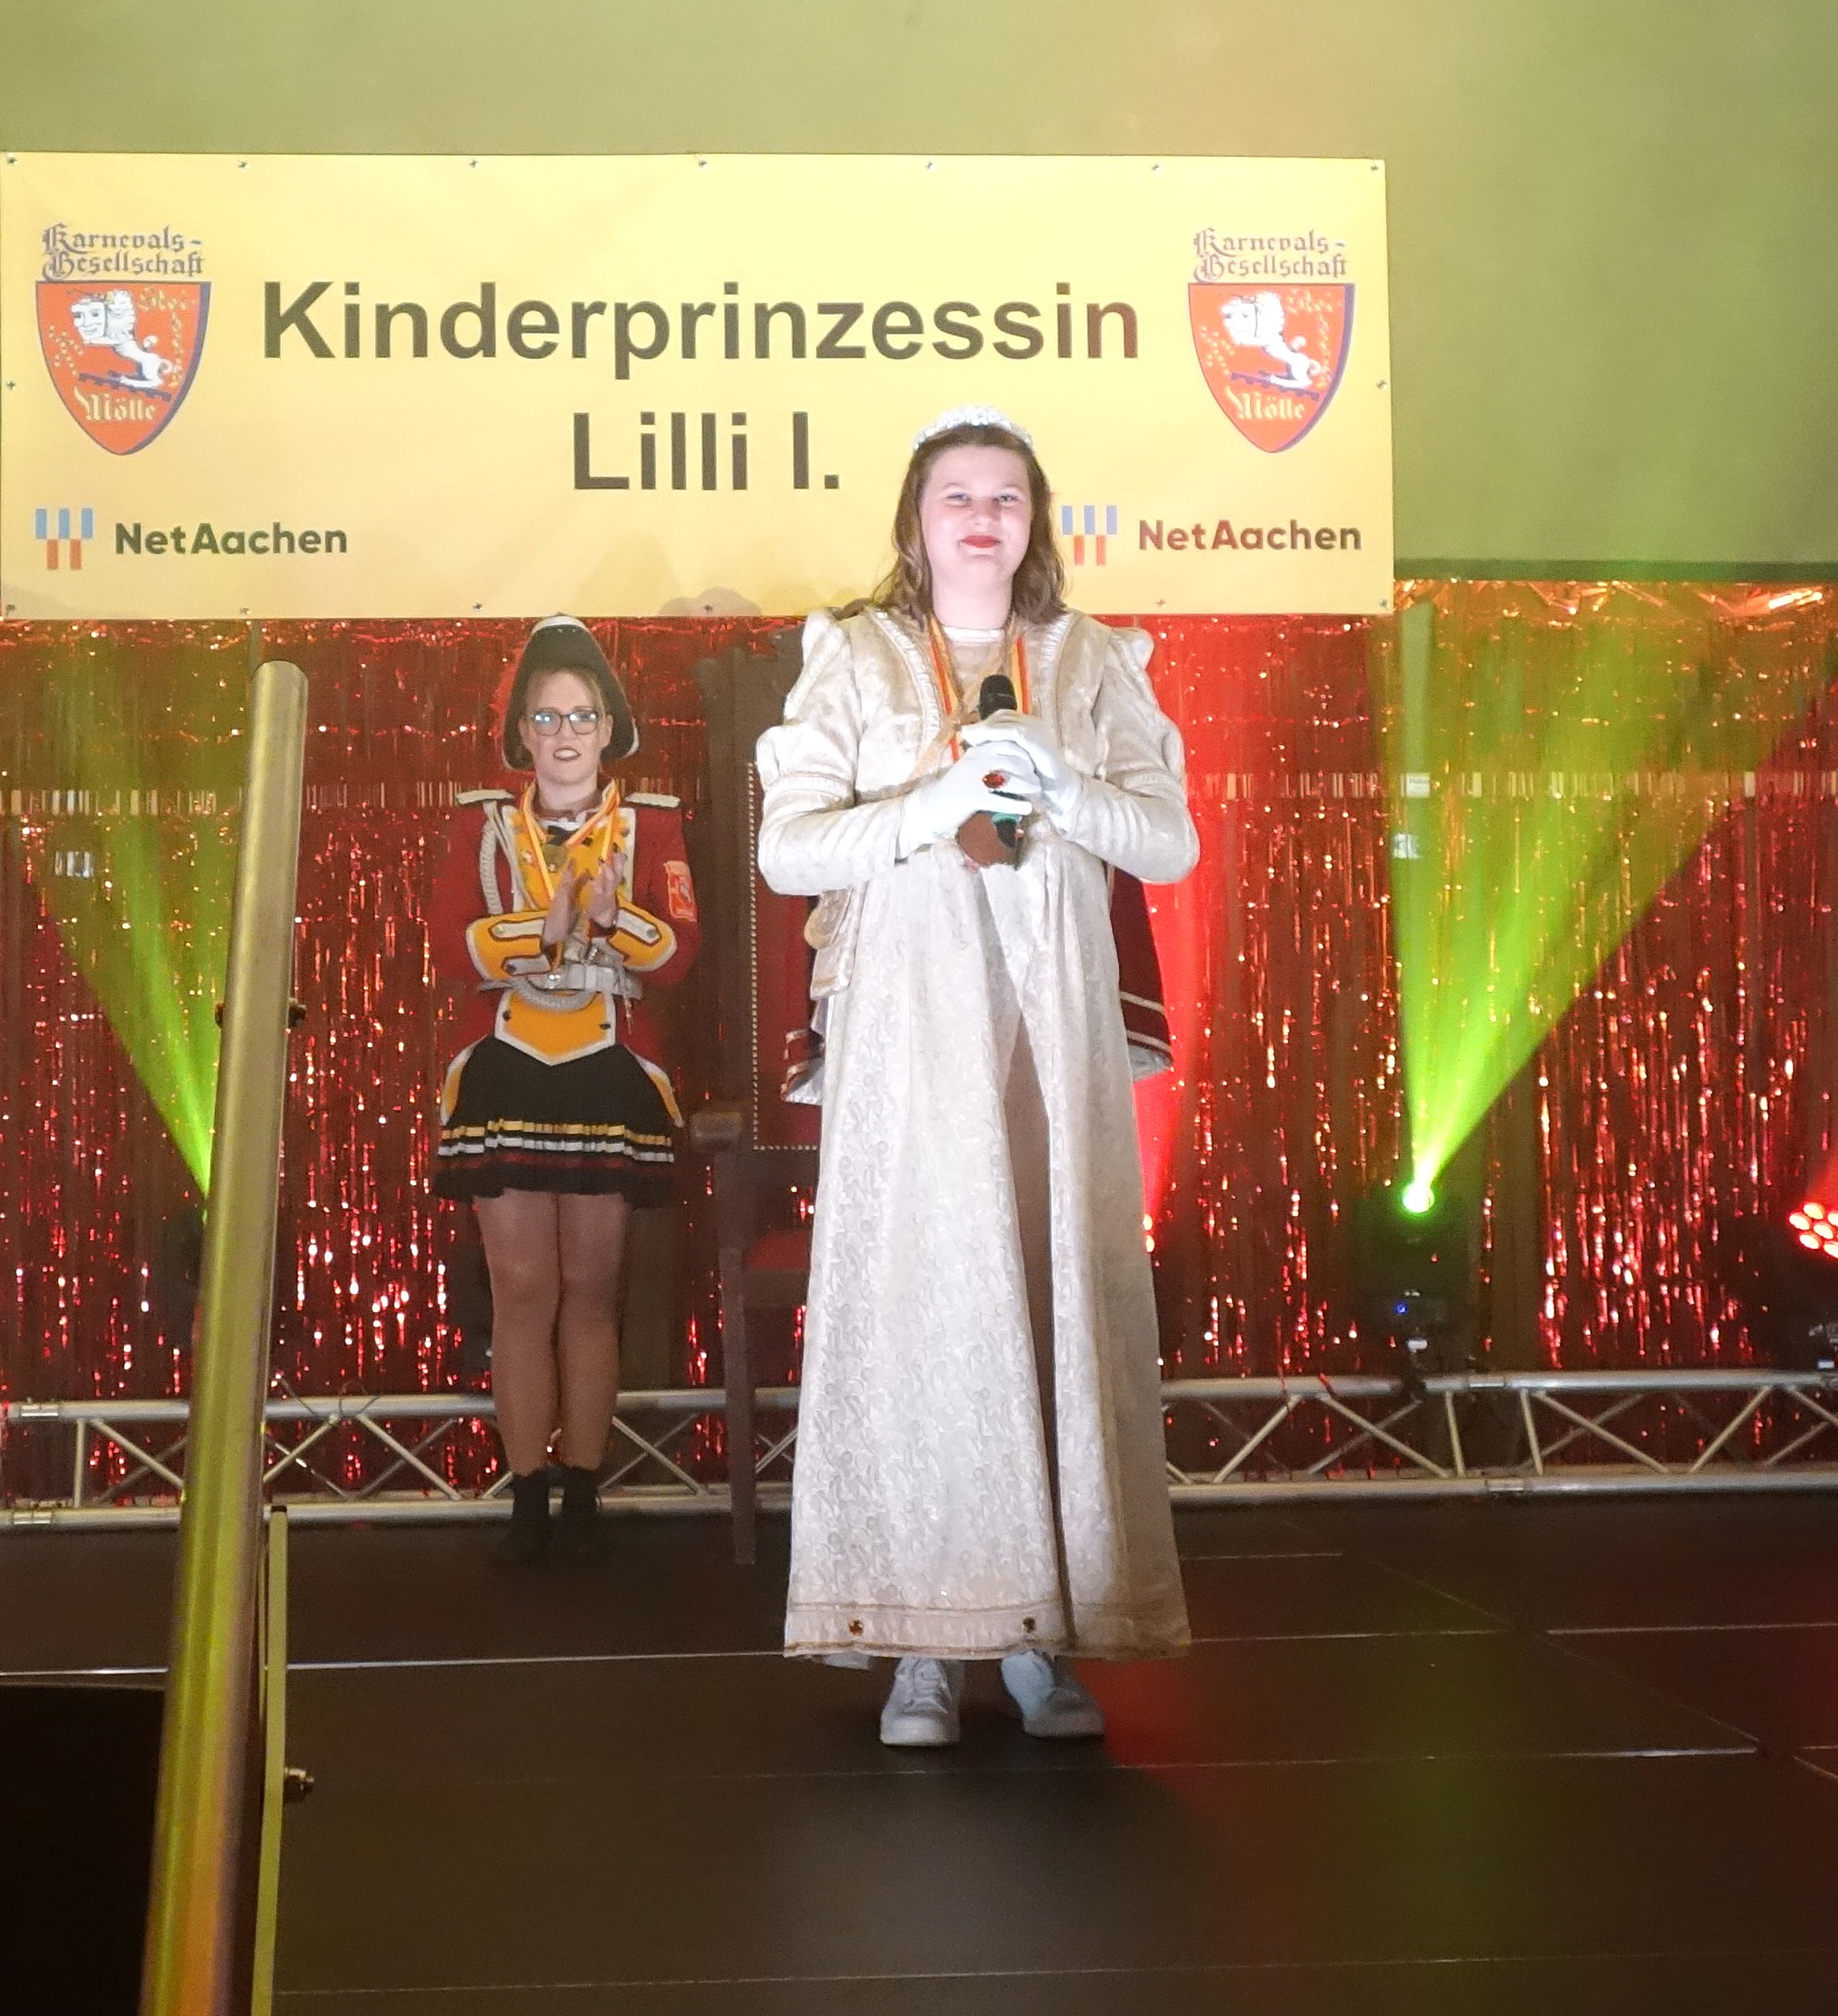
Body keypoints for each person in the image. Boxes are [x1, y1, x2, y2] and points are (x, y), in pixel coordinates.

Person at [755, 406, 1199, 1745]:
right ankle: (917, 1643)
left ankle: (1037, 1635)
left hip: (1048, 1032)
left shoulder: (1090, 657)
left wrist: (1063, 793)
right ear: (914, 520)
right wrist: (930, 809)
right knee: (923, 1308)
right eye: (957, 494)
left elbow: (1166, 844)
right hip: (911, 1030)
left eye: (1006, 496)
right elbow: (788, 851)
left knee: (1050, 1295)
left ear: (1033, 521)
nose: (982, 516)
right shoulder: (853, 654)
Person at [429, 615, 699, 1560]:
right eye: (547, 717)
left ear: (609, 726)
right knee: (521, 1288)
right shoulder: (480, 822)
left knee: (590, 1288)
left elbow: (679, 954)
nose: (566, 733)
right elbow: (449, 946)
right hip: (505, 1064)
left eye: (582, 715)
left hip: (608, 1067)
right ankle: (526, 1496)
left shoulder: (651, 823)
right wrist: (539, 928)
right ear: (522, 732)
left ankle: (582, 1488)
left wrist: (613, 916)